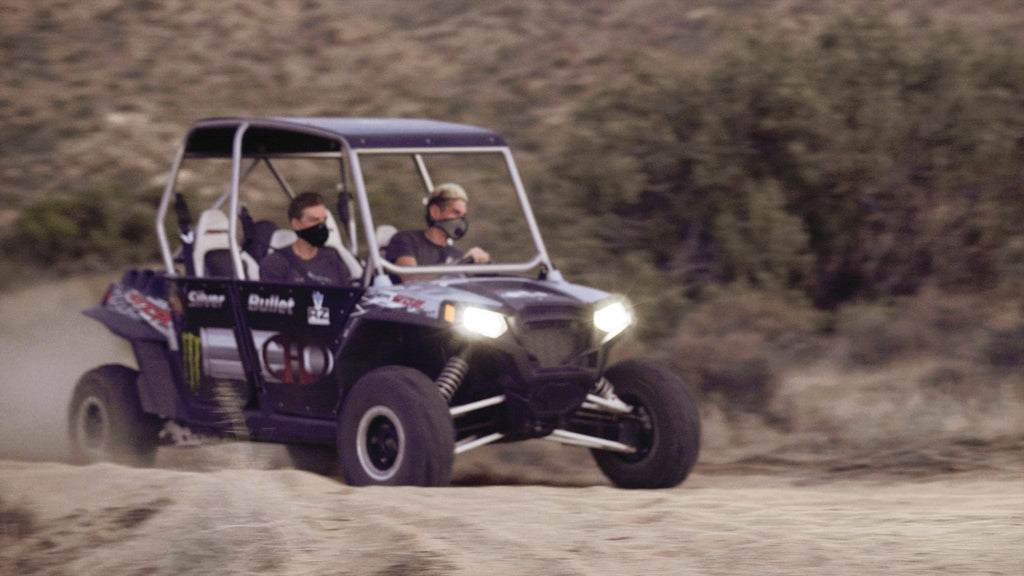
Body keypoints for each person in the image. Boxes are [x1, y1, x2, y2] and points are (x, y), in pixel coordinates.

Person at [385, 183, 490, 282]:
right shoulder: (405, 240)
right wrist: (459, 265)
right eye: (455, 212)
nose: (461, 221)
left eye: (463, 215)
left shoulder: (456, 254)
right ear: (435, 212)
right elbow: (410, 279)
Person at [260, 192, 350, 285]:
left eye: (324, 220)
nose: (321, 226)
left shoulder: (333, 259)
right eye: (315, 220)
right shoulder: (275, 263)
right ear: (296, 224)